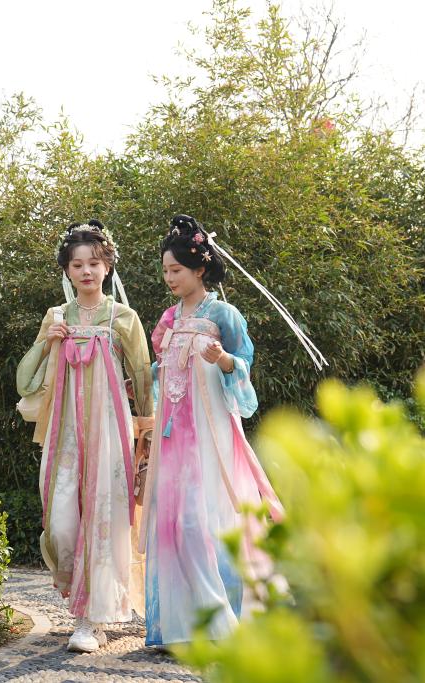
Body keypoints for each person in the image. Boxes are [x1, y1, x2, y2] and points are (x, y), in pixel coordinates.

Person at [140, 214, 285, 648]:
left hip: (210, 435)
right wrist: (144, 381)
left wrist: (222, 360)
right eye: (166, 271)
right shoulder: (168, 318)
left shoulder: (225, 314)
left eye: (176, 270)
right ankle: (182, 627)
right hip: (173, 436)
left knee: (200, 523)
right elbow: (162, 371)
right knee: (175, 524)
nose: (169, 278)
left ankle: (223, 623)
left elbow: (244, 368)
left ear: (200, 269)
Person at [16, 220, 154, 653]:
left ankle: (90, 620)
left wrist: (148, 439)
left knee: (103, 517)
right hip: (65, 435)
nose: (87, 271)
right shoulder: (57, 317)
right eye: (77, 265)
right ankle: (81, 604)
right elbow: (24, 381)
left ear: (107, 266)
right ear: (67, 270)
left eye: (94, 262)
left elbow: (143, 379)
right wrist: (46, 342)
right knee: (60, 523)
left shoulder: (123, 318)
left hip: (110, 434)